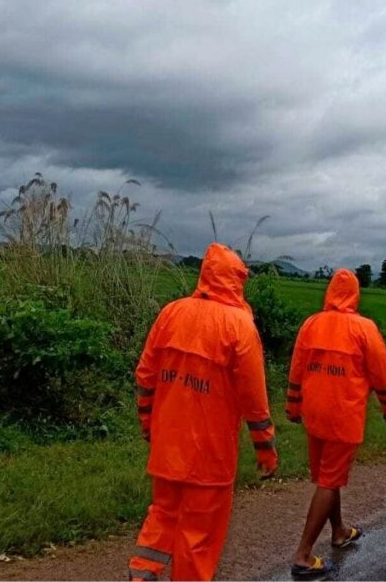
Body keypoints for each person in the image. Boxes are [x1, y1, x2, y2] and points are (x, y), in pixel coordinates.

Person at [129, 243, 278, 581]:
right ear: (236, 280)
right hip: (209, 457)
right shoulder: (240, 326)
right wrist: (265, 448)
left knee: (162, 517)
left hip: (167, 446)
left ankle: (141, 575)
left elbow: (145, 376)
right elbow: (254, 401)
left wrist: (147, 423)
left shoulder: (171, 313)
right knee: (197, 540)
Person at [285, 269, 386, 578]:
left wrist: (292, 405)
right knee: (329, 480)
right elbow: (380, 373)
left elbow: (297, 367)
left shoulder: (311, 324)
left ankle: (339, 531)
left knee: (327, 476)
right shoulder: (364, 328)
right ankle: (303, 555)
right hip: (343, 415)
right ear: (355, 295)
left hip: (315, 412)